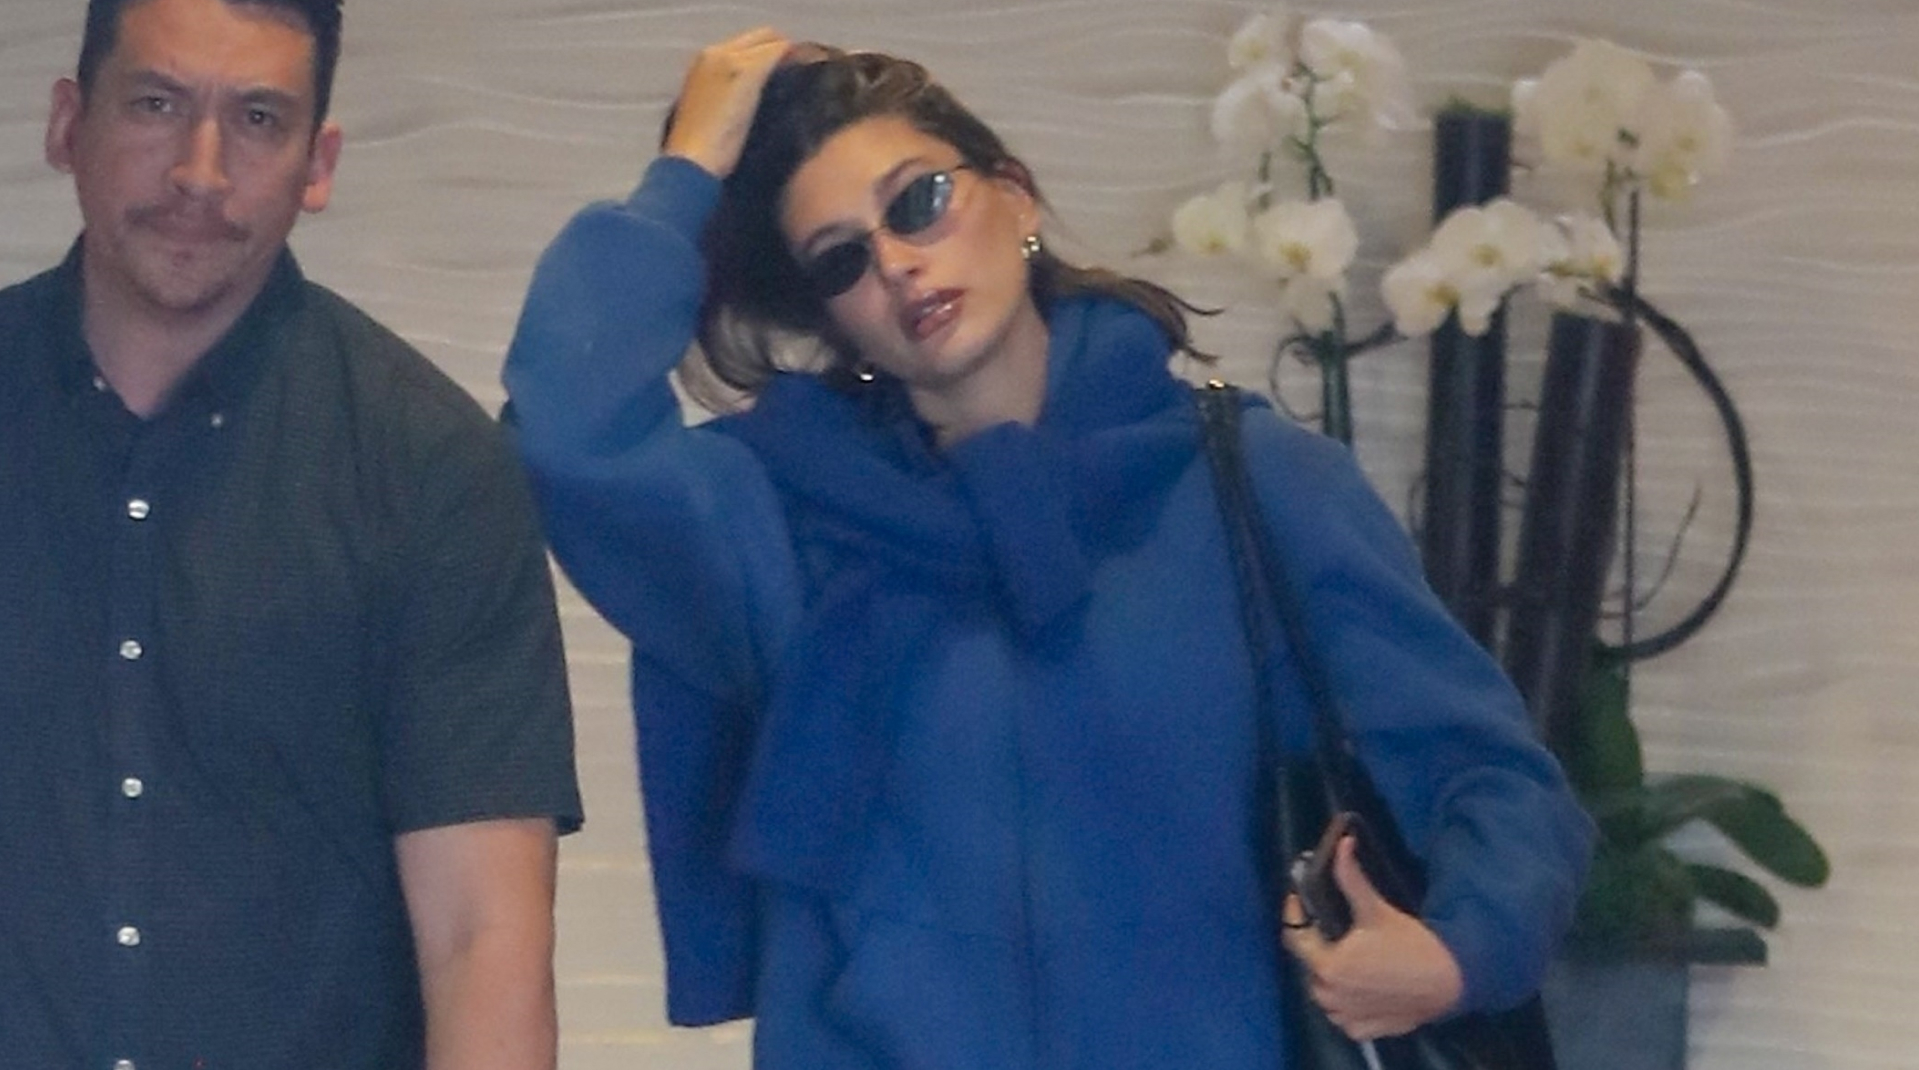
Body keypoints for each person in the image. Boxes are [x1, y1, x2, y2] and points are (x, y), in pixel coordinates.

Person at [503, 26, 1591, 1069]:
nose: (896, 263)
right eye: (841, 260)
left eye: (917, 203)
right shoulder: (786, 524)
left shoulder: (1247, 484)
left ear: (1013, 196)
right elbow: (567, 426)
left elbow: (1487, 771)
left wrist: (1455, 953)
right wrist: (687, 170)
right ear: (832, 318)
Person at [0, 1, 583, 1067]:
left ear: (318, 165)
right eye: (157, 103)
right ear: (68, 124)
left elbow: (481, 941)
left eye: (258, 119)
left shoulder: (432, 471)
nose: (201, 172)